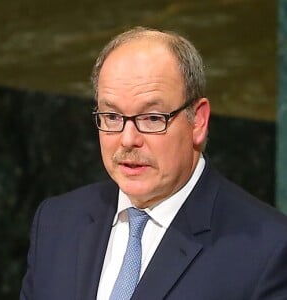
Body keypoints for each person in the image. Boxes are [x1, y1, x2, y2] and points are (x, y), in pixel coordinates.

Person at [20, 27, 287, 300]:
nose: (127, 139)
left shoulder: (270, 250)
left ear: (199, 121)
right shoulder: (57, 222)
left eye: (152, 118)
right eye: (112, 116)